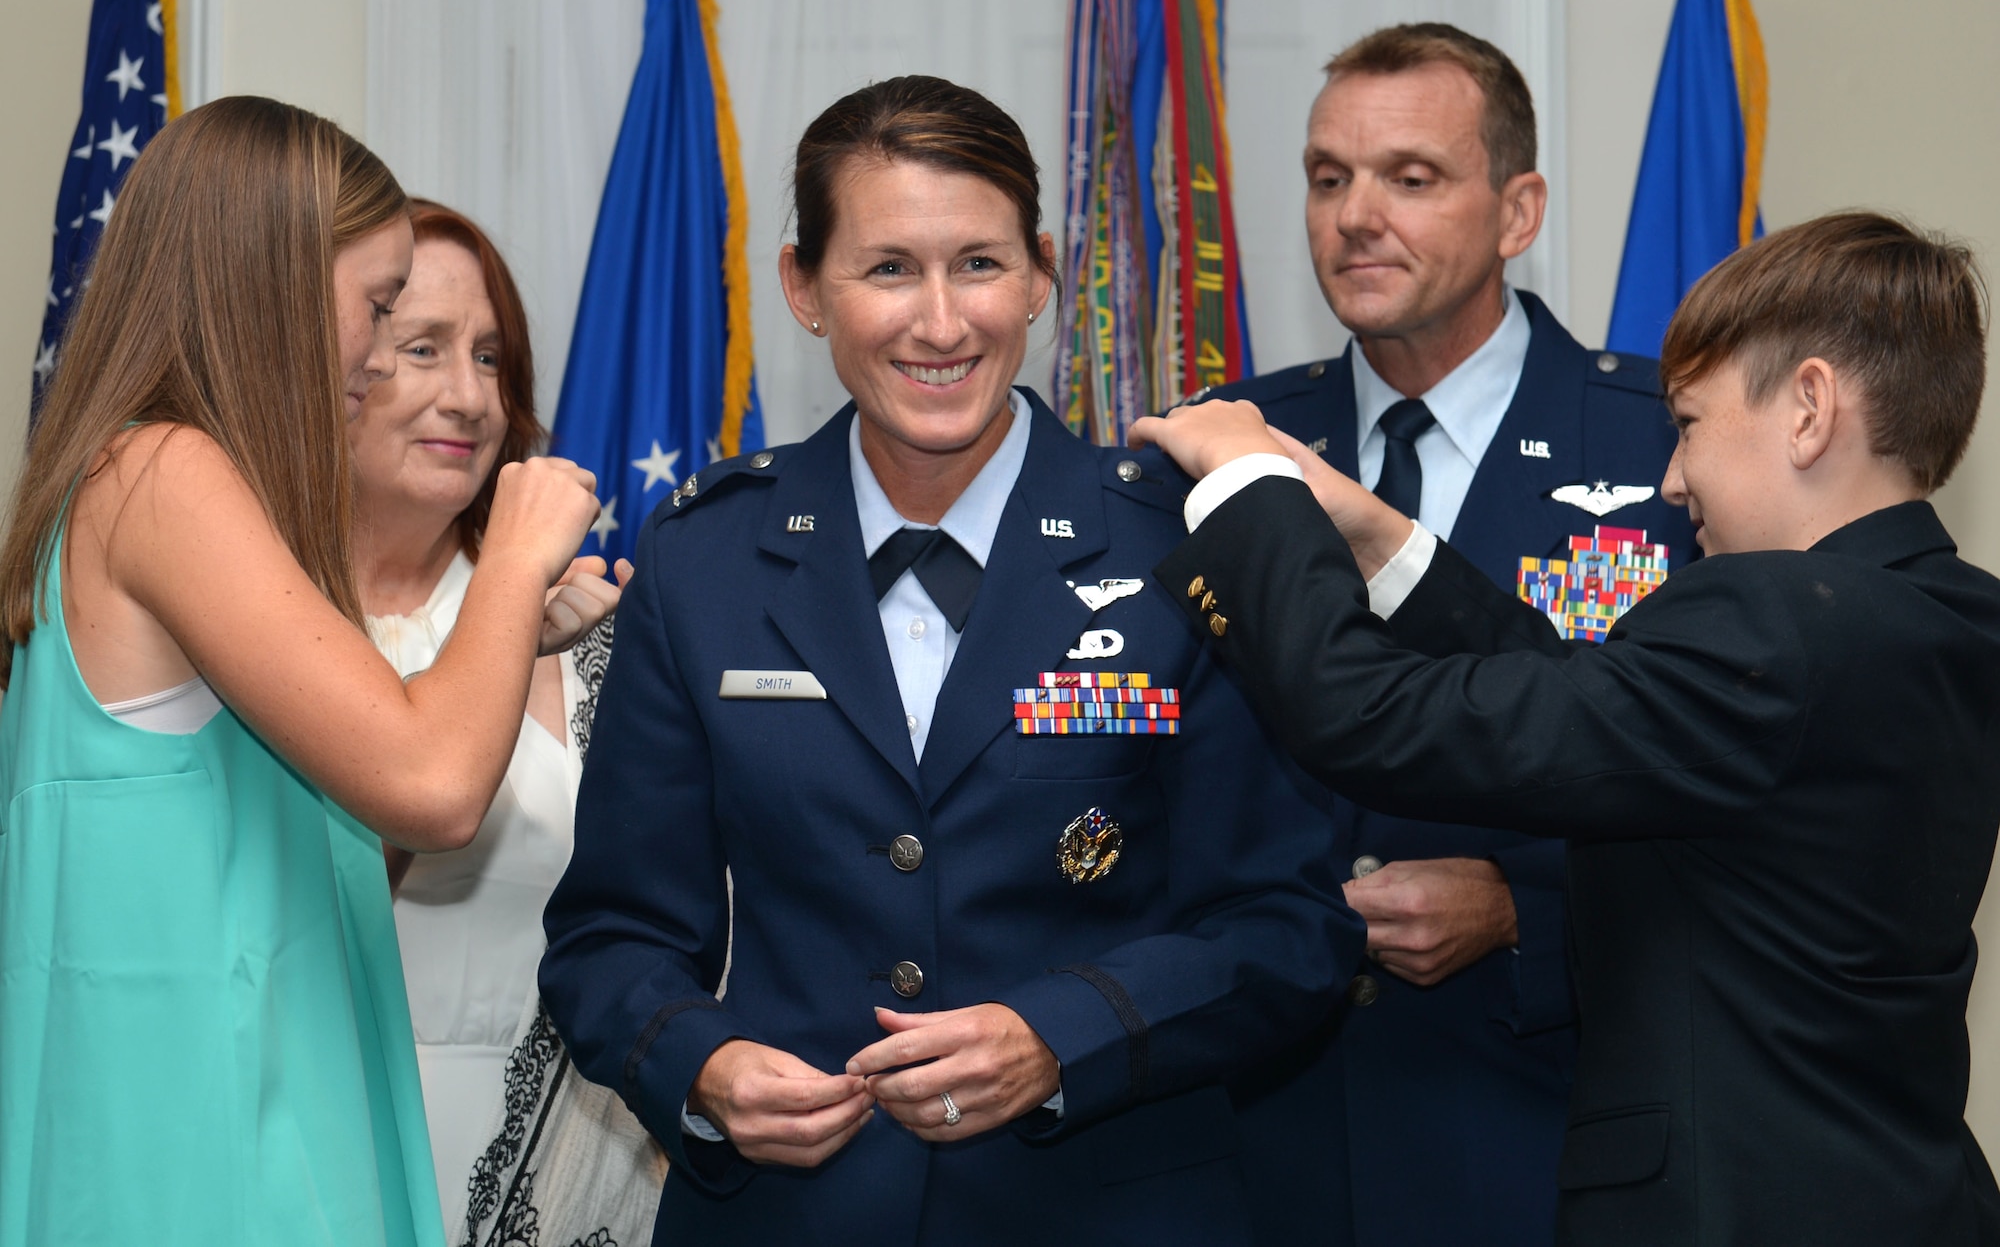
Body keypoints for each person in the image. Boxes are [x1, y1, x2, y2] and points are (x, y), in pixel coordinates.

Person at [538, 74, 1359, 1247]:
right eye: (886, 269)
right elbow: (610, 937)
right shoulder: (705, 559)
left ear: (1039, 274)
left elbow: (1291, 927)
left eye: (976, 264)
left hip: (1099, 1205)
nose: (938, 322)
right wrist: (702, 1064)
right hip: (788, 1217)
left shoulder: (1185, 545)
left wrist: (1062, 1035)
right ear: (803, 289)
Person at [1133, 211, 2000, 1244]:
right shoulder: (1945, 614)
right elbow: (1599, 711)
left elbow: (1363, 716)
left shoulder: (1767, 615)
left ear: (1807, 409)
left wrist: (1246, 487)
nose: (1670, 480)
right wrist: (1382, 539)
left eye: (1684, 423)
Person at [0, 96, 605, 1247]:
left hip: (230, 1124)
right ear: (272, 279)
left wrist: (494, 646)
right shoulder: (165, 471)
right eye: (378, 307)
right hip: (204, 1148)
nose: (380, 356)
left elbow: (324, 861)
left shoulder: (142, 478)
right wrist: (516, 554)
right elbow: (433, 782)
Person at [1195, 22, 1695, 1246]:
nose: (1355, 215)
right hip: (1262, 1135)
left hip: (1541, 1126)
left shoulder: (1660, 451)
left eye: (1409, 177)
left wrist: (1537, 904)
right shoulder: (1230, 447)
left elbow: (1758, 795)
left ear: (1516, 209)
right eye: (1327, 178)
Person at [348, 198, 648, 1240]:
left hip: (571, 1169)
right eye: (421, 346)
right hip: (319, 1144)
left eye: (492, 357)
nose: (469, 396)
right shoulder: (261, 632)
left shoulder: (591, 628)